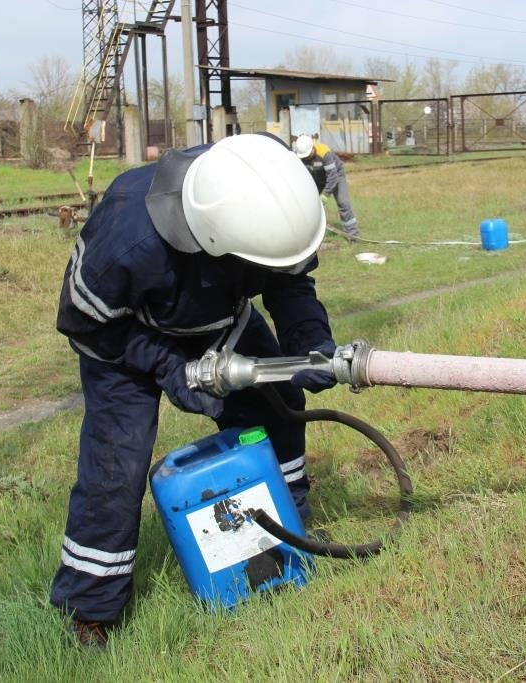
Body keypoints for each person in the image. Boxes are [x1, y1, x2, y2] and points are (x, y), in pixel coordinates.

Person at [50, 133, 338, 646]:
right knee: (117, 468)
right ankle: (90, 606)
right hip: (124, 340)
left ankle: (288, 529)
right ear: (208, 237)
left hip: (220, 320)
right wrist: (166, 366)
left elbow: (289, 283)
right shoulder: (126, 237)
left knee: (278, 412)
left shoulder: (266, 189)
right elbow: (86, 324)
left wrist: (309, 342)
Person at [292, 135, 360, 240]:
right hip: (317, 178)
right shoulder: (300, 156)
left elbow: (333, 177)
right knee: (311, 205)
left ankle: (352, 234)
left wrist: (325, 194)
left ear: (312, 148)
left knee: (343, 202)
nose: (306, 158)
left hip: (336, 176)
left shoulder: (324, 152)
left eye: (307, 155)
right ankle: (313, 233)